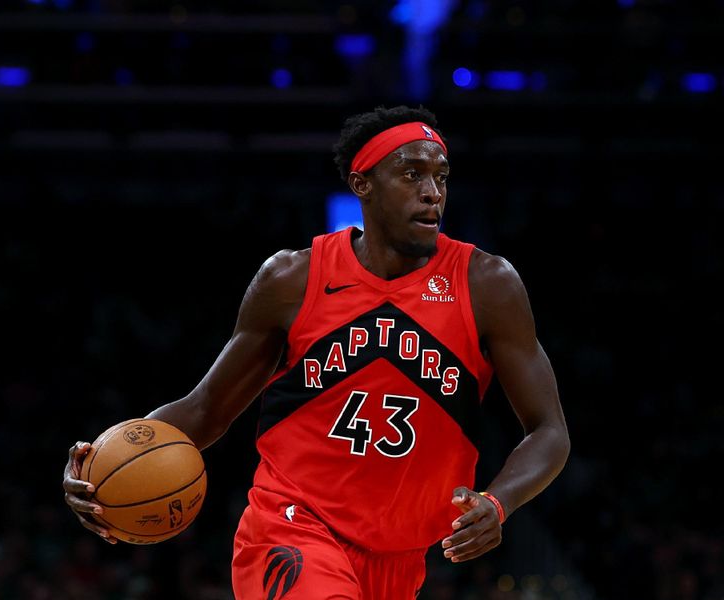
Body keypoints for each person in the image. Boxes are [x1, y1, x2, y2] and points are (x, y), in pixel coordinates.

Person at [63, 104, 570, 599]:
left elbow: (549, 431)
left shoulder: (486, 285)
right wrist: (108, 456)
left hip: (401, 558)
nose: (432, 192)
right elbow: (205, 409)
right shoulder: (294, 278)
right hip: (291, 526)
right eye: (411, 175)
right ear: (362, 185)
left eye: (441, 176)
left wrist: (497, 503)